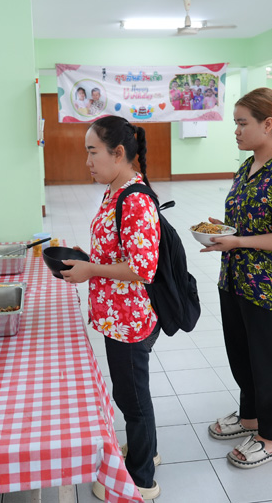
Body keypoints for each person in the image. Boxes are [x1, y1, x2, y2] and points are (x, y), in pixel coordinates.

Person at [204, 88, 272, 469]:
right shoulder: (247, 167)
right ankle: (249, 416)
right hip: (235, 278)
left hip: (268, 287)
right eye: (235, 123)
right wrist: (225, 232)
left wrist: (238, 241)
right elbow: (246, 222)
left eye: (242, 123)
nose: (236, 130)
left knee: (269, 363)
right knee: (243, 355)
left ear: (268, 124)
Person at [59, 116, 162, 500]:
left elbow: (142, 268)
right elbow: (119, 250)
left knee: (133, 399)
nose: (87, 161)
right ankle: (146, 449)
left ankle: (142, 480)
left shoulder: (134, 199)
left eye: (93, 152)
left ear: (118, 153)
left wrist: (91, 270)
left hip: (129, 319)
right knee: (129, 393)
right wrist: (88, 261)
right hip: (116, 314)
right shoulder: (114, 191)